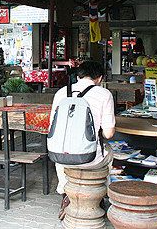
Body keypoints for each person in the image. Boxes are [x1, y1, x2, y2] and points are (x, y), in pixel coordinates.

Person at [52, 60, 116, 220]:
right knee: (110, 151)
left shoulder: (61, 92)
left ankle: (65, 192)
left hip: (60, 157)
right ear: (100, 78)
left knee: (63, 148)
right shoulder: (104, 94)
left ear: (78, 77)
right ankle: (102, 195)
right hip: (90, 158)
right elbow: (108, 134)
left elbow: (52, 128)